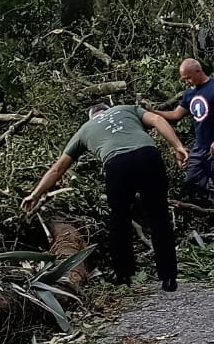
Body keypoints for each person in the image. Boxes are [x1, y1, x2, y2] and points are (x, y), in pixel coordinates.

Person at [21, 102, 186, 291]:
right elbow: (157, 119)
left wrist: (34, 194)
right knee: (159, 215)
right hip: (147, 156)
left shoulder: (85, 130)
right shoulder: (127, 109)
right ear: (109, 109)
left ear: (92, 116)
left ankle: (124, 277)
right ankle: (168, 278)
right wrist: (178, 147)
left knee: (120, 220)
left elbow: (57, 169)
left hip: (117, 164)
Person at [160, 59, 214, 224]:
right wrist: (152, 112)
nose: (187, 82)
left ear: (198, 71)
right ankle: (202, 217)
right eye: (184, 79)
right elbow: (175, 115)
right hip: (199, 147)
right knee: (191, 181)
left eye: (188, 78)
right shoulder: (189, 94)